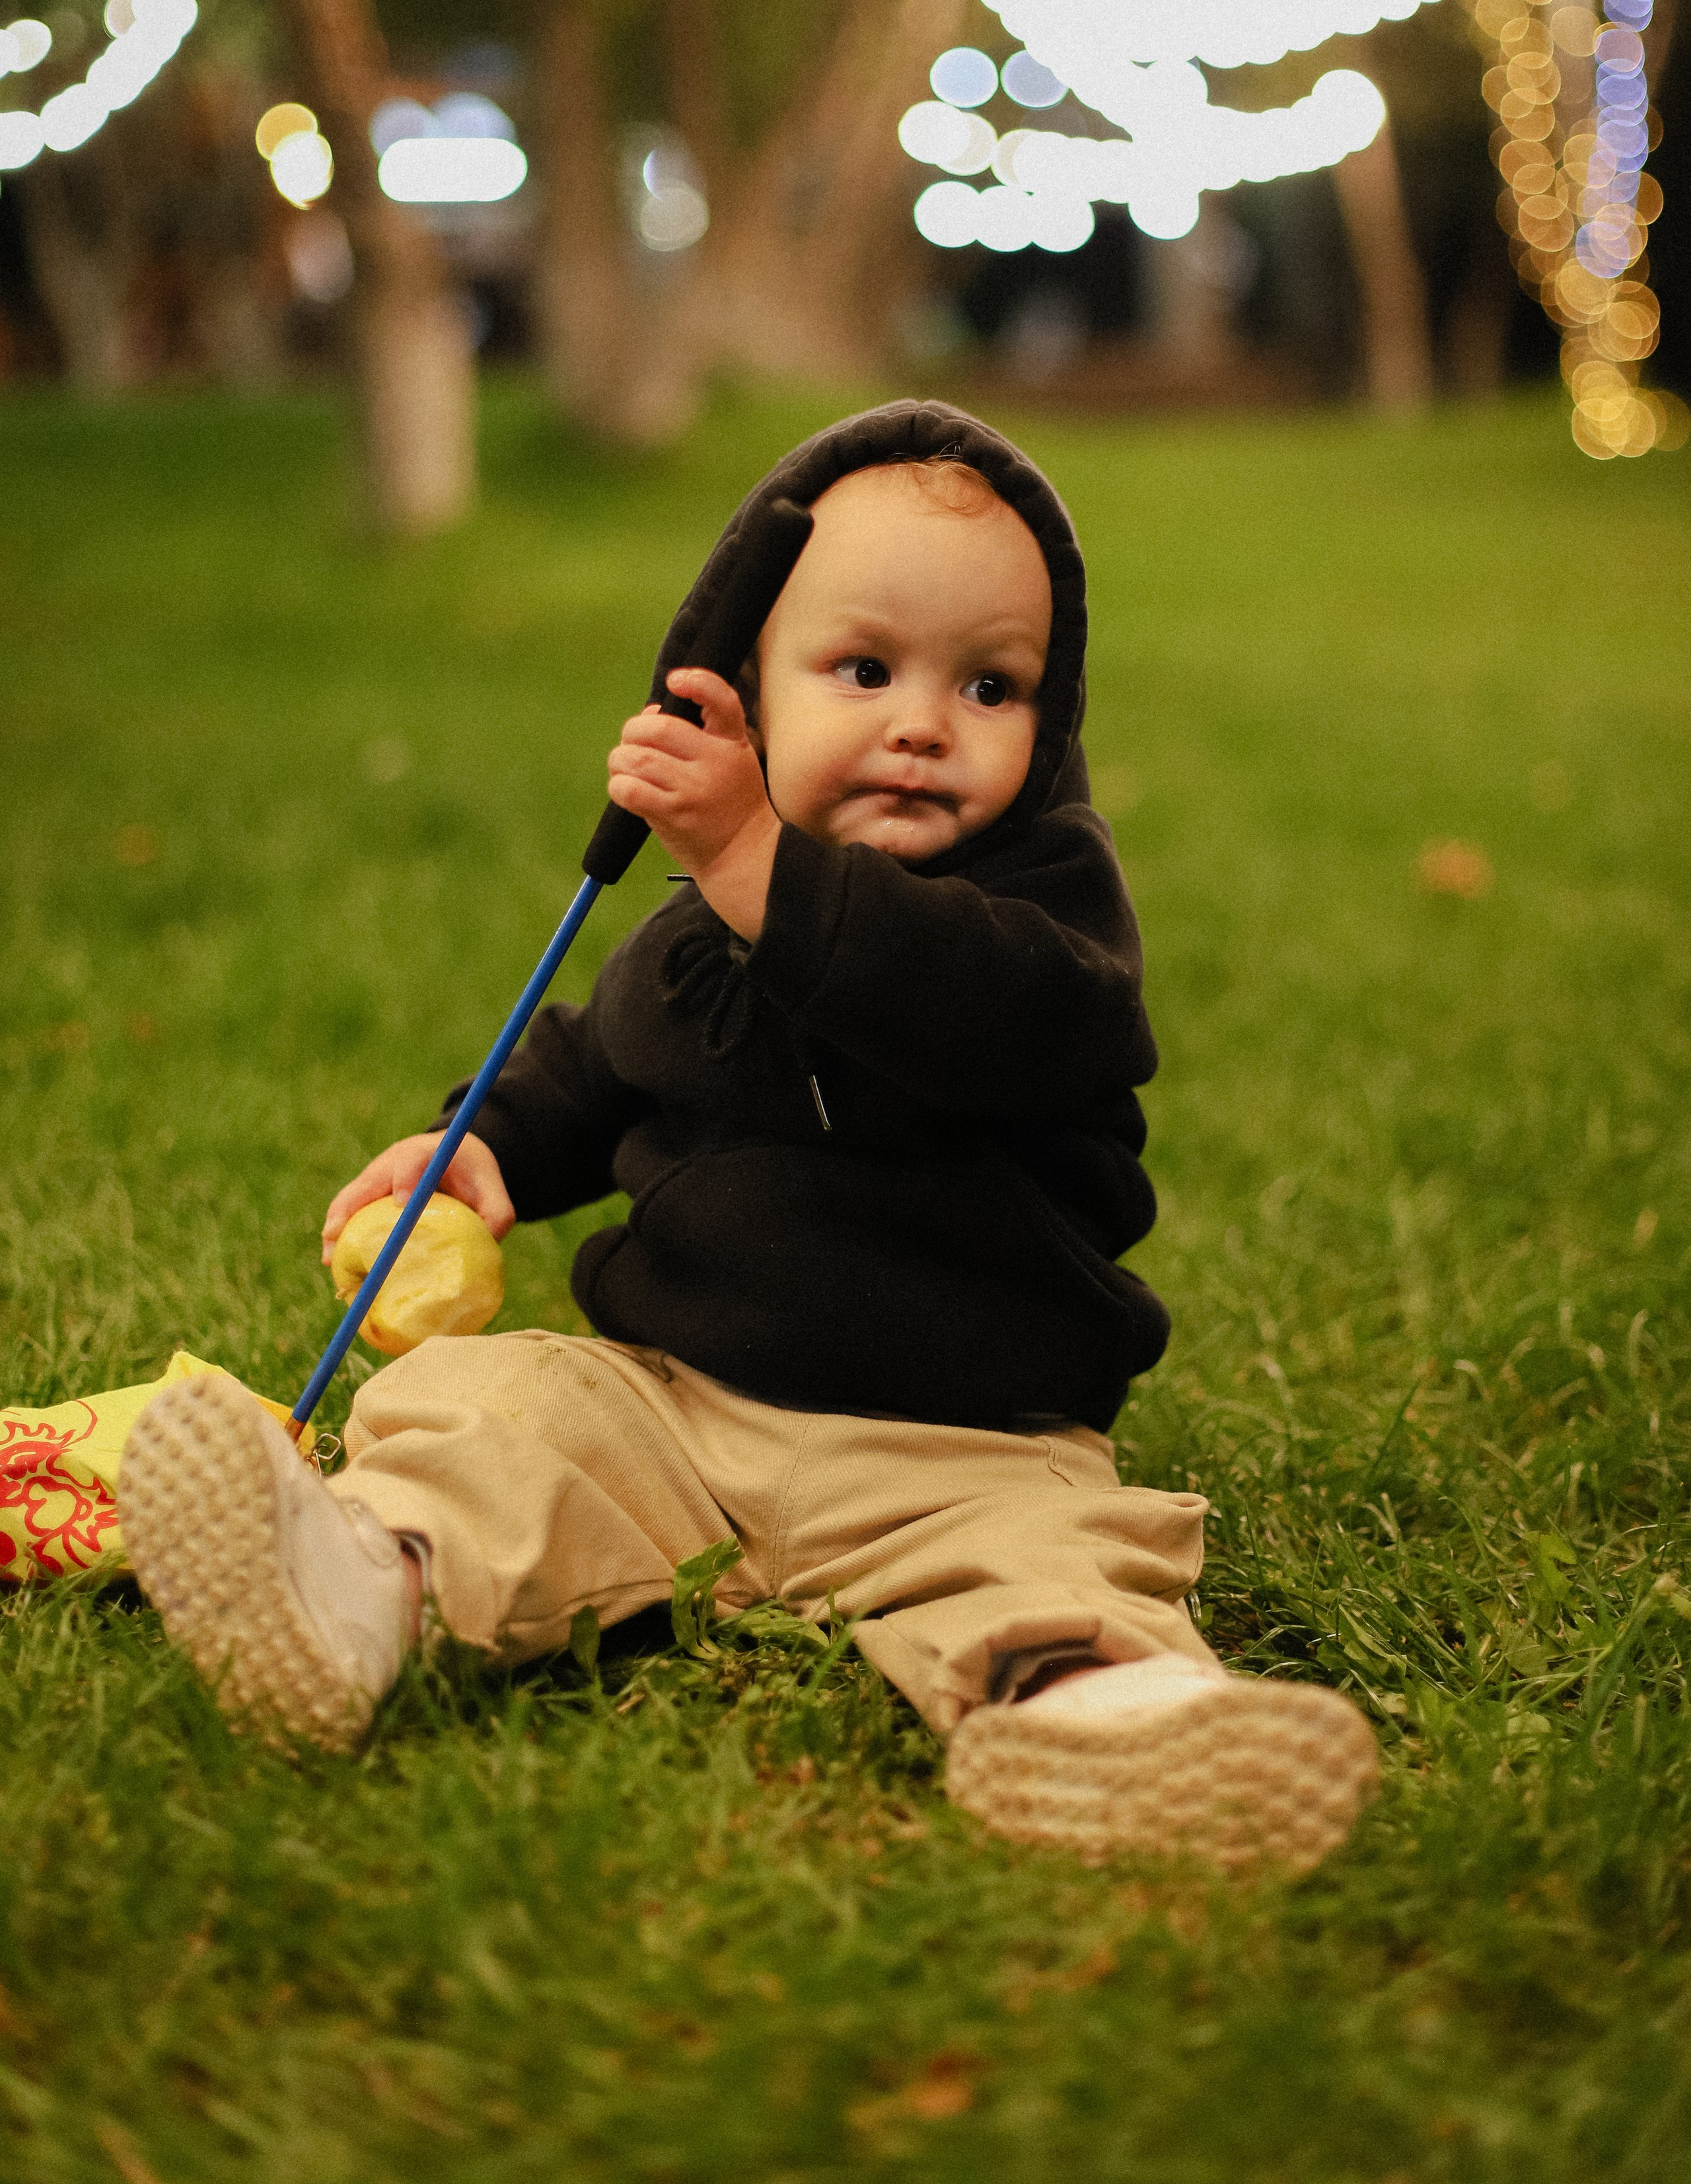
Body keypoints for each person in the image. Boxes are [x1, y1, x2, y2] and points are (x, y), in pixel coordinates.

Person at [120, 402, 1377, 1876]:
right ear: (744, 697)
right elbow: (600, 1060)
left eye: (990, 684)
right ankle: (361, 1588)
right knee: (500, 1413)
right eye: (862, 669)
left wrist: (747, 858)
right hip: (678, 1410)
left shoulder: (1043, 910)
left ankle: (1107, 1721)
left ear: (1049, 719)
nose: (922, 722)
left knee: (1046, 1563)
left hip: (956, 1443)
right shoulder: (698, 920)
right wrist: (489, 1153)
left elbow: (999, 1018)